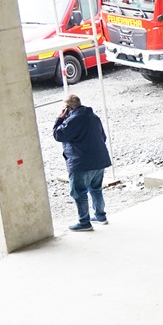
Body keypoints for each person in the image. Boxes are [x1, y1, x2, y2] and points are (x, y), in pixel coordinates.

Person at [52, 94, 112, 232]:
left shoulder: (73, 120)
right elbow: (103, 137)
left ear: (67, 107)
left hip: (80, 162)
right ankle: (100, 216)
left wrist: (59, 118)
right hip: (99, 160)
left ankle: (84, 222)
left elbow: (58, 135)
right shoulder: (93, 117)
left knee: (79, 192)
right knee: (96, 189)